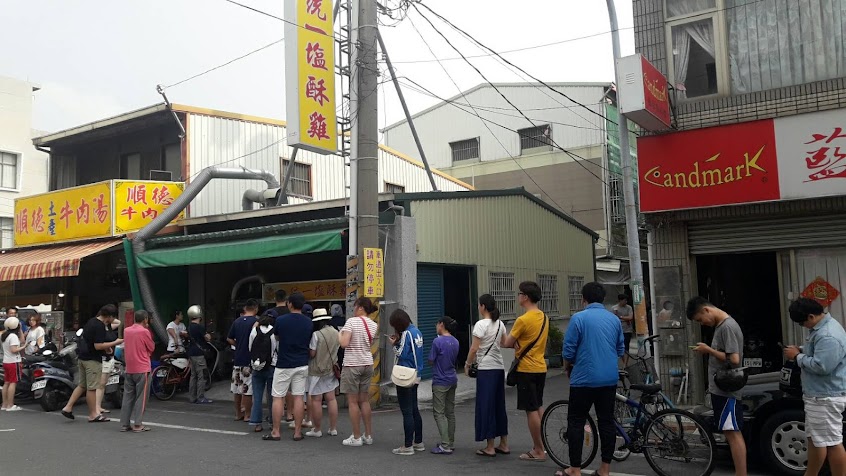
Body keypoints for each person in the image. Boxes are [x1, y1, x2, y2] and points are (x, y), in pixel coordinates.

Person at [559, 282, 625, 476]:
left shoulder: (579, 318)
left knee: (576, 421)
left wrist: (567, 367)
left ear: (583, 299)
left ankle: (575, 469)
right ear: (603, 299)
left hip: (584, 379)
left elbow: (568, 350)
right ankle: (605, 469)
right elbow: (620, 349)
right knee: (606, 421)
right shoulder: (614, 319)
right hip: (609, 379)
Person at [784, 298, 846, 476]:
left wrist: (797, 357)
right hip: (818, 395)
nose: (804, 326)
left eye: (803, 322)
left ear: (811, 316)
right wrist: (802, 350)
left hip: (825, 397)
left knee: (833, 443)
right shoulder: (823, 328)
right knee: (816, 440)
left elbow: (822, 366)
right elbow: (820, 352)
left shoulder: (828, 334)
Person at [687, 296, 747, 476]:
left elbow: (734, 359)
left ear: (706, 310)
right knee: (730, 432)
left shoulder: (727, 326)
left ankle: (741, 474)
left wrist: (708, 350)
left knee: (732, 433)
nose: (702, 323)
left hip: (726, 389)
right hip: (722, 388)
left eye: (700, 319)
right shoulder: (723, 325)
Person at [503, 281, 549, 463]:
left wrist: (511, 341)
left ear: (526, 297)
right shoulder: (544, 317)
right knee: (538, 405)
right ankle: (543, 445)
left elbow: (507, 342)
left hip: (526, 369)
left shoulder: (523, 320)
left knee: (530, 410)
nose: (518, 296)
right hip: (540, 367)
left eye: (520, 293)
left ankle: (539, 449)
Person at [61, 304, 123, 422]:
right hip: (92, 360)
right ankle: (93, 414)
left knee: (82, 385)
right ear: (109, 316)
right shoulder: (99, 326)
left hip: (82, 358)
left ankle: (68, 407)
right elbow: (98, 345)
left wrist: (107, 348)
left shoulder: (91, 321)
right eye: (112, 317)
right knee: (92, 388)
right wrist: (115, 343)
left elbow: (91, 341)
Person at [466, 294, 509, 457]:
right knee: (499, 405)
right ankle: (504, 443)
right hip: (499, 368)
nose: (478, 307)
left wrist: (467, 364)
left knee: (486, 406)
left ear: (483, 306)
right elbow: (505, 343)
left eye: (479, 305)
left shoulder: (480, 325)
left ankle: (490, 446)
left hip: (486, 370)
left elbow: (474, 349)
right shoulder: (500, 324)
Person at [266, 292, 312, 441]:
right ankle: (298, 432)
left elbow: (277, 337)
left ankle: (276, 431)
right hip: (302, 363)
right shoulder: (308, 322)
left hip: (284, 363)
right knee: (299, 397)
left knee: (278, 397)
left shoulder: (281, 320)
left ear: (290, 304)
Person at [339, 297, 378, 447]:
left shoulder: (351, 322)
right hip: (367, 363)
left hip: (352, 364)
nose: (354, 309)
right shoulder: (373, 324)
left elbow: (344, 343)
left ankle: (356, 437)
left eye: (355, 306)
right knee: (364, 400)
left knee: (353, 402)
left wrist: (339, 334)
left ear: (361, 307)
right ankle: (368, 435)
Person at [389, 309, 425, 456]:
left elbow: (401, 353)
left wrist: (394, 344)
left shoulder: (407, 333)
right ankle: (418, 442)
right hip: (416, 374)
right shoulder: (417, 332)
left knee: (407, 411)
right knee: (414, 409)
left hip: (405, 375)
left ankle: (408, 445)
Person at [306, 308, 340, 438]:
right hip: (331, 368)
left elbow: (313, 353)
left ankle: (317, 429)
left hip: (316, 370)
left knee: (316, 399)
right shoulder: (336, 332)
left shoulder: (316, 335)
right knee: (331, 398)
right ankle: (333, 428)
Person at [120, 310, 154, 433]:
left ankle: (124, 424)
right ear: (145, 319)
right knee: (141, 397)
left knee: (128, 396)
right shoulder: (145, 331)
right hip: (142, 368)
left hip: (129, 368)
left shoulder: (126, 330)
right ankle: (138, 424)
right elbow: (151, 347)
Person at [429, 316, 459, 455]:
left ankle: (445, 445)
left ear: (441, 325)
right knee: (450, 412)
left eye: (437, 324)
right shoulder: (456, 341)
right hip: (452, 378)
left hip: (440, 380)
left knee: (439, 413)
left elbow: (431, 360)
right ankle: (450, 442)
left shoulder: (437, 341)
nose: (436, 326)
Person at [227, 299, 259, 421]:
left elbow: (229, 339)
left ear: (245, 308)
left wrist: (237, 344)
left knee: (237, 388)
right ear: (256, 309)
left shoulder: (237, 321)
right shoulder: (256, 322)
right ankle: (247, 414)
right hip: (249, 360)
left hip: (238, 359)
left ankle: (237, 414)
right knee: (247, 389)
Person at [249, 311, 277, 432]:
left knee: (257, 396)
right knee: (272, 396)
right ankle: (272, 422)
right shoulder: (274, 332)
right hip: (271, 366)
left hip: (256, 366)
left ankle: (257, 423)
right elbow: (276, 349)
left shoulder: (254, 330)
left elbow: (250, 347)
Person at [187, 305, 213, 405]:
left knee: (193, 376)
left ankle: (192, 397)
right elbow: (207, 338)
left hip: (191, 353)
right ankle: (200, 397)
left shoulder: (189, 327)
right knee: (201, 376)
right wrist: (209, 336)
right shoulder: (199, 327)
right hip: (199, 354)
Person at [96, 319, 121, 415]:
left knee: (103, 384)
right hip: (103, 358)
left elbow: (118, 322)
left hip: (110, 358)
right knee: (100, 383)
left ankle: (99, 406)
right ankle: (97, 407)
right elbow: (99, 344)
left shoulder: (109, 328)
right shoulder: (100, 329)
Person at [1, 317, 25, 411]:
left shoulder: (4, 335)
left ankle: (4, 404)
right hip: (13, 361)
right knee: (13, 383)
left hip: (6, 361)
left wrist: (20, 331)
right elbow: (14, 350)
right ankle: (10, 405)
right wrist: (24, 347)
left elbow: (21, 340)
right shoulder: (13, 336)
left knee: (6, 382)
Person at [613, 294, 634, 366]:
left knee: (626, 346)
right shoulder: (614, 308)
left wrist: (620, 317)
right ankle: (622, 361)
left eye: (626, 300)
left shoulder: (629, 308)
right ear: (620, 300)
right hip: (618, 330)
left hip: (627, 330)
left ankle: (625, 364)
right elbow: (613, 318)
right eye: (624, 300)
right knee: (619, 346)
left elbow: (630, 317)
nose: (626, 302)